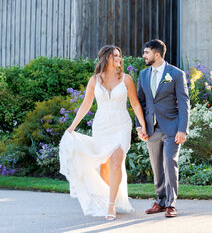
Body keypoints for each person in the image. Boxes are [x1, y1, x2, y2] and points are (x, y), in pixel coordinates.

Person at [59, 45, 147, 220]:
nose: (118, 58)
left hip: (121, 125)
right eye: (115, 55)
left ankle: (111, 205)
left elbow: (135, 104)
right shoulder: (94, 80)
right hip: (101, 128)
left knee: (116, 162)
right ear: (106, 58)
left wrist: (142, 126)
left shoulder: (126, 79)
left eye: (119, 56)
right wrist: (72, 127)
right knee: (105, 167)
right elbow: (86, 105)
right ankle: (110, 196)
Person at [136, 39, 190, 218]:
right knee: (157, 166)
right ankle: (160, 201)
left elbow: (183, 103)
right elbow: (140, 103)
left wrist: (182, 129)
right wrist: (140, 126)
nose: (144, 56)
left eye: (146, 52)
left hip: (172, 127)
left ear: (157, 54)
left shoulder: (175, 74)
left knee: (169, 162)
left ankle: (170, 204)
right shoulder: (143, 75)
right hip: (151, 129)